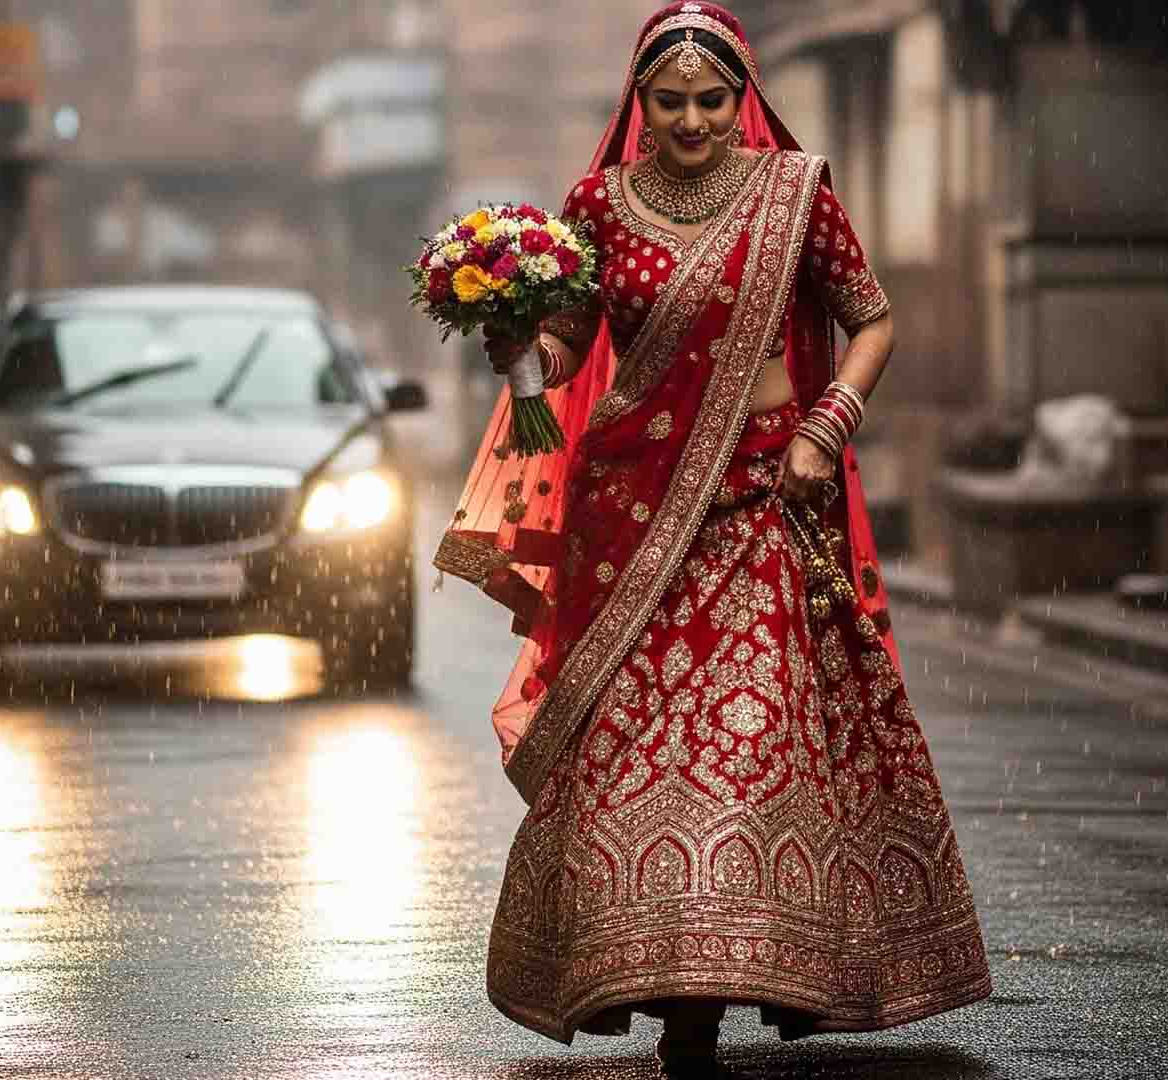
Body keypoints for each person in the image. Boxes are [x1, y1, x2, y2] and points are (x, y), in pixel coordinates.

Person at [434, 4, 992, 1073]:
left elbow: (871, 317)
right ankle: (660, 979)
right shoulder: (596, 207)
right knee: (633, 757)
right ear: (639, 105)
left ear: (743, 99)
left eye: (711, 99)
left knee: (745, 747)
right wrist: (516, 348)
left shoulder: (797, 194)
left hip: (761, 505)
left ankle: (722, 986)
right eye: (670, 100)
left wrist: (830, 427)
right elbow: (558, 369)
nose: (692, 119)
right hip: (630, 520)